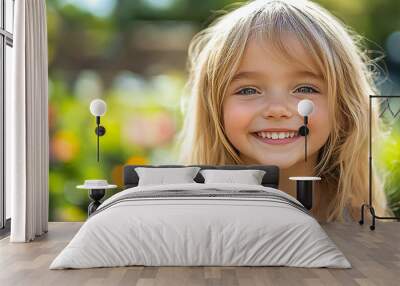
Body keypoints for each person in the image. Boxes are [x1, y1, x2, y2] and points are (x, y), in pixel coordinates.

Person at [176, 0, 390, 222]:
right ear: (214, 109)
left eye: (305, 88)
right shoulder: (187, 230)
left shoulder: (363, 228)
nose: (277, 110)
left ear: (344, 109)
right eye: (248, 90)